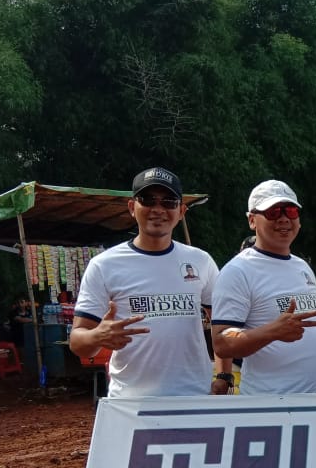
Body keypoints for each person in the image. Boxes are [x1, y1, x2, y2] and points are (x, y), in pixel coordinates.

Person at [70, 168, 228, 397]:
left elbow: (223, 327)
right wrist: (96, 336)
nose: (158, 209)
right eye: (148, 200)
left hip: (194, 396)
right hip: (131, 402)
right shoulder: (104, 265)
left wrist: (223, 376)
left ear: (181, 211)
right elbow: (77, 341)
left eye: (168, 202)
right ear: (132, 207)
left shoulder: (201, 261)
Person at [211, 180, 316, 394]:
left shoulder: (302, 267)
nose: (284, 218)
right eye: (273, 212)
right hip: (271, 403)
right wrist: (272, 332)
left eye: (290, 211)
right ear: (252, 220)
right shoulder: (238, 271)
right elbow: (221, 342)